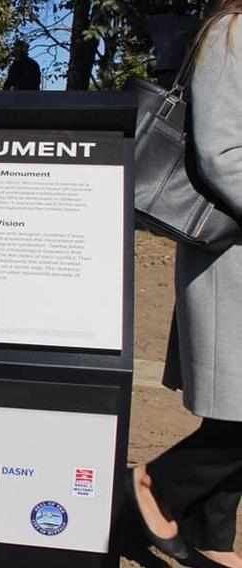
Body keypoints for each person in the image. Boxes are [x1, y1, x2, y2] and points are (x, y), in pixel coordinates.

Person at [127, 4, 242, 567]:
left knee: (233, 414)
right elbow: (223, 155)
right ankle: (151, 486)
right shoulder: (233, 29)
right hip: (231, 250)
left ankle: (212, 541)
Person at [143, 4, 200, 88]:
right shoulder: (159, 21)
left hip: (186, 71)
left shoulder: (194, 21)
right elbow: (139, 27)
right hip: (167, 72)